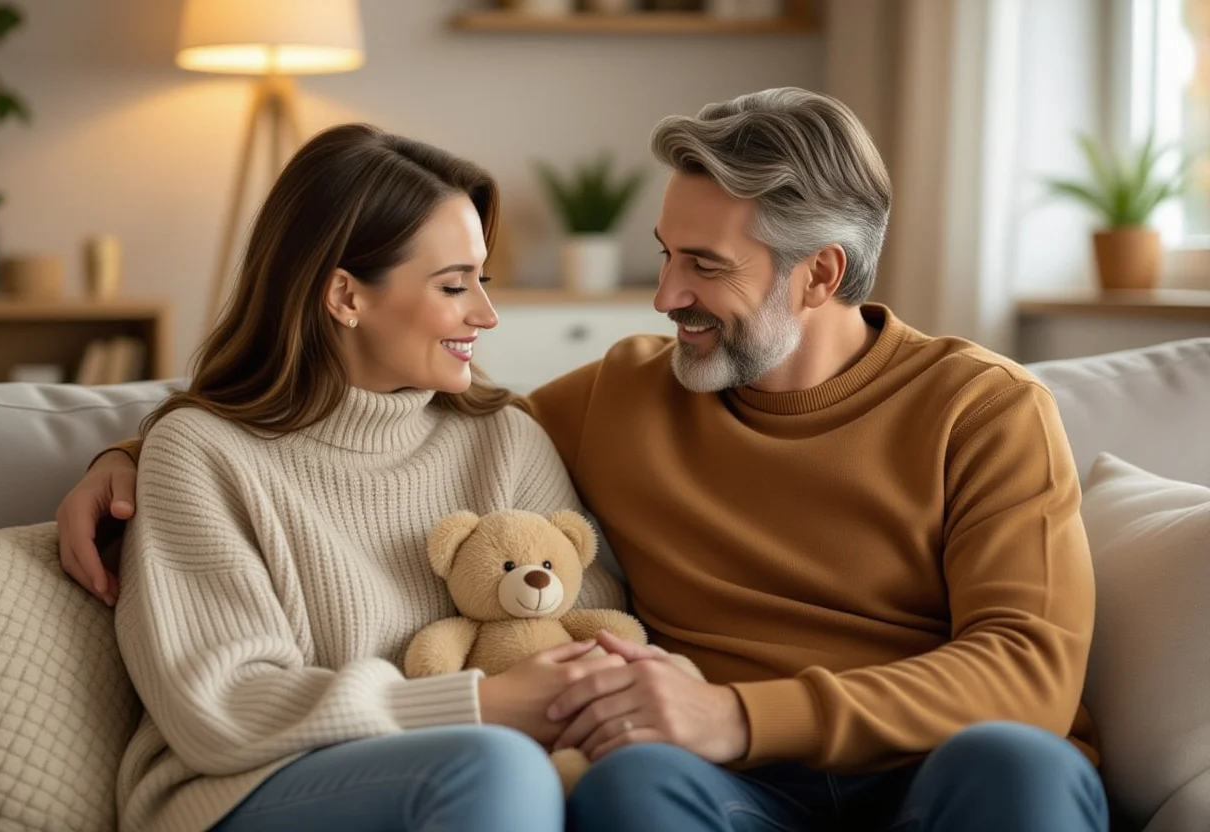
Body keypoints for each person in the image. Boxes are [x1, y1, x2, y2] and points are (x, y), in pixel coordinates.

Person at [58, 89, 1109, 832]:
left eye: (704, 265)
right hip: (720, 788)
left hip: (925, 765)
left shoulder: (984, 407)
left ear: (819, 272)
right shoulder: (620, 396)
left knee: (1018, 759)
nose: (664, 296)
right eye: (664, 253)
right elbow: (329, 418)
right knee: (631, 787)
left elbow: (1030, 670)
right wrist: (134, 448)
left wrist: (739, 713)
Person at [84, 123, 660, 832]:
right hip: (247, 790)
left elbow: (587, 626)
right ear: (345, 296)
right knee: (494, 766)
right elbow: (221, 706)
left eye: (482, 277)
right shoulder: (200, 454)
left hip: (486, 774)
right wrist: (475, 704)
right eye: (454, 285)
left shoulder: (504, 436)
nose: (486, 312)